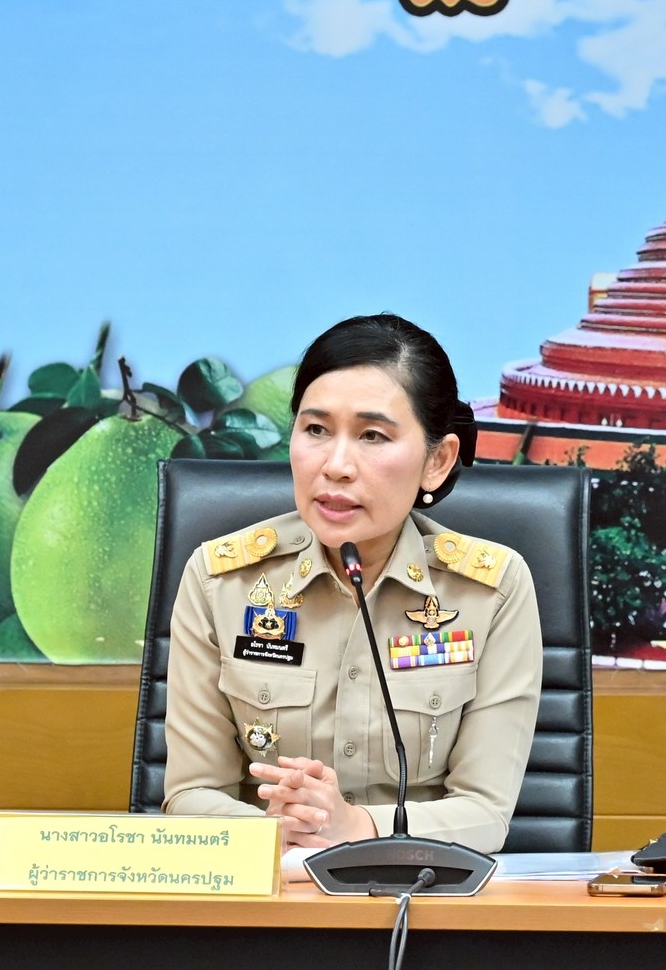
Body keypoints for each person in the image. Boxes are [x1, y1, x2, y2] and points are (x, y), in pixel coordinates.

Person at [161, 314, 541, 853]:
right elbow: (191, 795)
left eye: (373, 436)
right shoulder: (220, 580)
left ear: (437, 461)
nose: (336, 465)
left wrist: (355, 828)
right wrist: (279, 831)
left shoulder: (490, 590)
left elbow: (484, 813)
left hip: (422, 886)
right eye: (315, 430)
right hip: (273, 885)